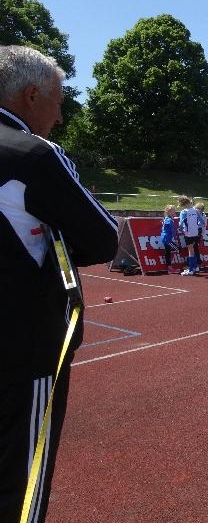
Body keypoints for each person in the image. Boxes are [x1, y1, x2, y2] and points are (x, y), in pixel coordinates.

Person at [0, 45, 119, 523]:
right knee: (20, 484)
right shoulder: (32, 153)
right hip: (21, 351)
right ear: (31, 96)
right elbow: (104, 237)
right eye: (58, 100)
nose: (61, 115)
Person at [178, 195, 201, 275]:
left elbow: (180, 224)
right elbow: (202, 222)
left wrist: (182, 229)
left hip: (188, 233)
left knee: (190, 251)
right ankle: (195, 267)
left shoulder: (183, 212)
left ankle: (191, 269)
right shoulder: (196, 210)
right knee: (193, 250)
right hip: (196, 233)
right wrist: (196, 227)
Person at [161, 204, 179, 273]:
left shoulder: (166, 218)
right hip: (167, 239)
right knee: (177, 249)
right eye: (173, 211)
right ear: (169, 212)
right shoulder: (169, 220)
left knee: (168, 252)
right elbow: (173, 230)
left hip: (165, 238)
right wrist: (176, 239)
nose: (175, 212)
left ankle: (169, 267)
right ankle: (170, 267)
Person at [193, 201, 207, 269]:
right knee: (194, 247)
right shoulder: (196, 214)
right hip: (195, 231)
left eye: (196, 208)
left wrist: (201, 235)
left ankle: (197, 263)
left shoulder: (203, 215)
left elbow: (204, 226)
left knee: (194, 247)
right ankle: (197, 262)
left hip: (198, 232)